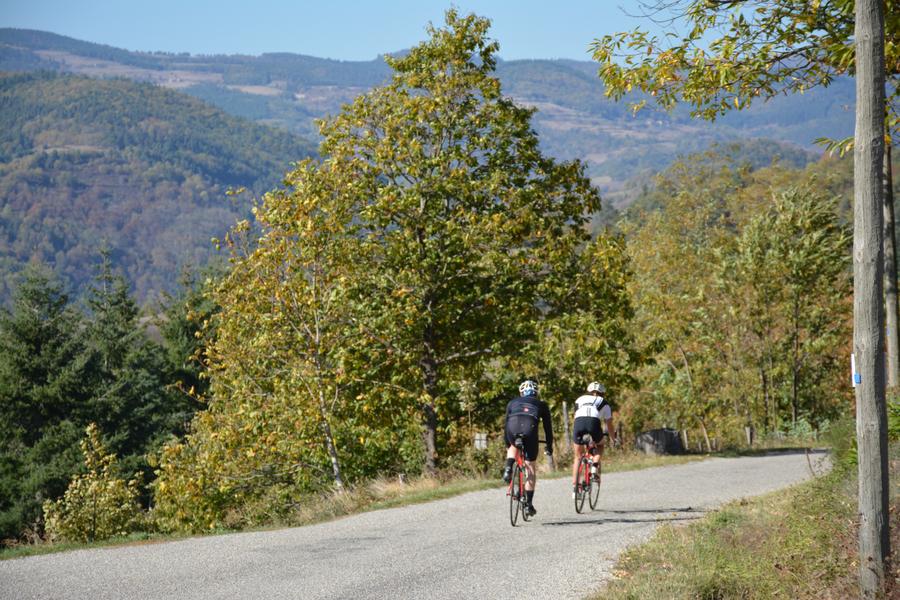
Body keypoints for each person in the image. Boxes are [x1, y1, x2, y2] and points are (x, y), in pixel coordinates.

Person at [502, 379, 553, 517]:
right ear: (536, 393)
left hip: (512, 428)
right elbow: (548, 428)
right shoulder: (542, 405)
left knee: (513, 446)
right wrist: (549, 446)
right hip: (529, 430)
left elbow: (505, 424)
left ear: (521, 392)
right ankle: (528, 505)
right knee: (530, 466)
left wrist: (508, 443)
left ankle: (508, 468)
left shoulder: (512, 402)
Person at [571, 381, 615, 497]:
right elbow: (609, 424)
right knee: (600, 445)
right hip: (593, 423)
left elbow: (575, 416)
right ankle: (595, 465)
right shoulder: (604, 403)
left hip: (578, 423)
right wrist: (612, 438)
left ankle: (575, 489)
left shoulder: (579, 399)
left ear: (589, 392)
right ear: (603, 393)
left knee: (577, 456)